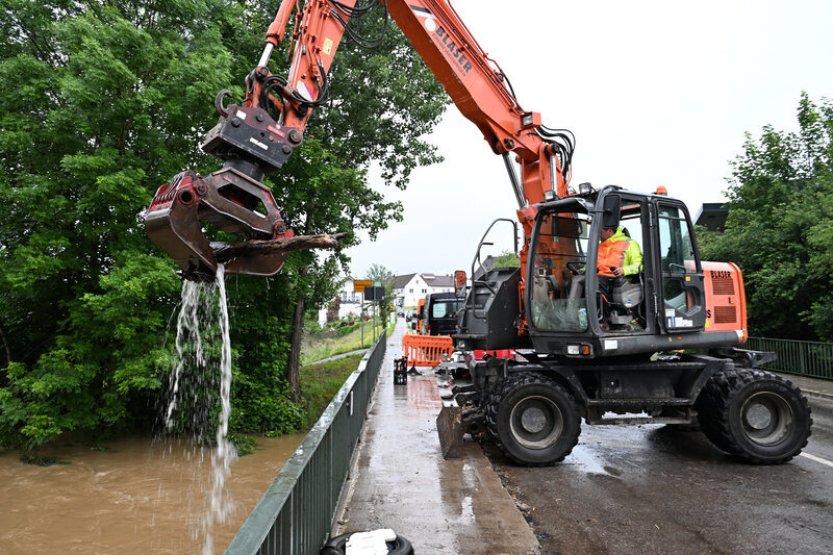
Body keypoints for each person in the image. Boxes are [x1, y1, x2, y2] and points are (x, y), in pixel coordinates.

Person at [596, 225, 643, 298]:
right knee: (580, 279)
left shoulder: (630, 244)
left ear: (609, 231)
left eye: (600, 232)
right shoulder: (599, 246)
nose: (598, 235)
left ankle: (602, 307)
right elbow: (591, 265)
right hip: (599, 279)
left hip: (618, 281)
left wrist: (624, 270)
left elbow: (639, 265)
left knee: (595, 282)